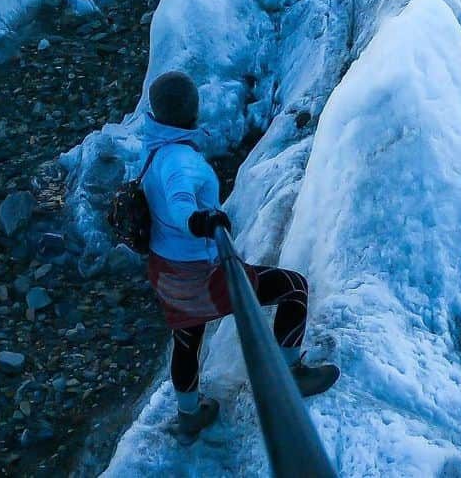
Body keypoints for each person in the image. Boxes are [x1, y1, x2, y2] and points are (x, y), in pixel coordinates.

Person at [139, 69, 339, 435]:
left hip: (167, 271)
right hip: (199, 273)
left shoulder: (156, 147)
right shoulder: (179, 162)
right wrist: (202, 221)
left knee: (187, 338)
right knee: (293, 288)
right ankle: (292, 372)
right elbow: (181, 201)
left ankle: (189, 414)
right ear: (192, 111)